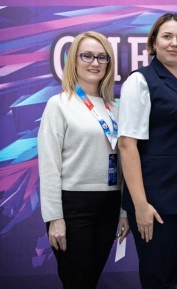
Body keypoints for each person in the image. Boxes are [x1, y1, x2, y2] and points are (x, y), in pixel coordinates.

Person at [118, 13, 177, 288]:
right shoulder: (141, 80)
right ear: (153, 43)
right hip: (156, 199)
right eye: (167, 36)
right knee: (157, 277)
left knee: (171, 276)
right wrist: (140, 205)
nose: (174, 43)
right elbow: (127, 144)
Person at [38, 31, 129, 289]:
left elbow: (124, 165)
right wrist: (54, 218)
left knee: (90, 280)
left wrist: (124, 211)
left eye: (102, 57)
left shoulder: (116, 108)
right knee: (77, 281)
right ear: (74, 61)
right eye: (87, 55)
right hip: (73, 206)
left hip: (109, 205)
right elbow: (49, 166)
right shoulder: (59, 104)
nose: (95, 63)